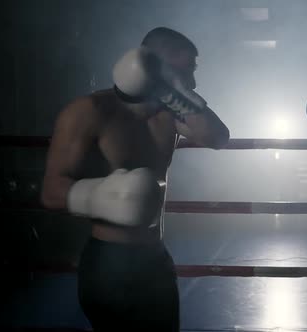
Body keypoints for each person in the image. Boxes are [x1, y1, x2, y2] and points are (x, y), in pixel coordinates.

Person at [41, 27, 229, 332]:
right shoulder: (90, 111)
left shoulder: (169, 114)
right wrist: (105, 197)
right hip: (108, 263)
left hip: (155, 258)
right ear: (156, 65)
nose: (192, 81)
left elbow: (218, 138)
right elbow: (51, 193)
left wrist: (176, 94)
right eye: (186, 70)